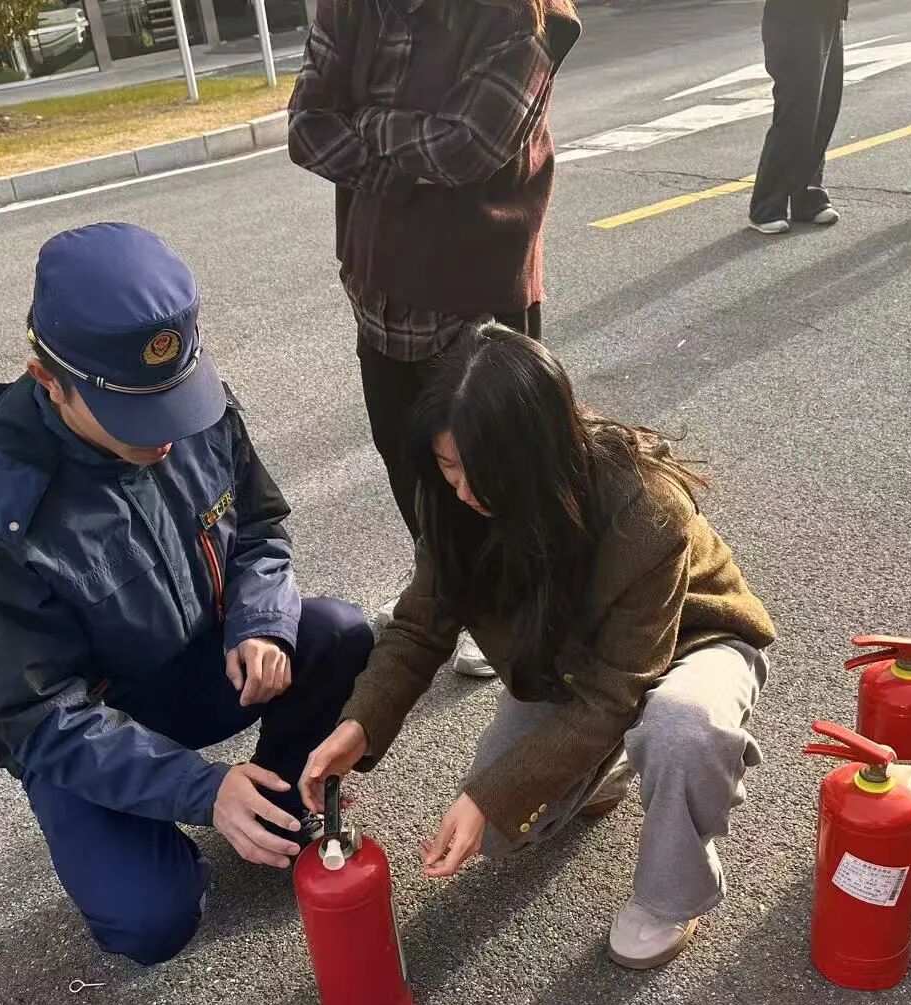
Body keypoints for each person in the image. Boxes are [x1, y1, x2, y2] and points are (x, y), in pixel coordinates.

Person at [0, 223, 374, 966]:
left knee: (338, 632)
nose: (165, 436)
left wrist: (260, 622)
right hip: (95, 726)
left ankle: (276, 802)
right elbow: (40, 716)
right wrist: (199, 790)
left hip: (206, 665)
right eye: (133, 417)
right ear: (48, 380)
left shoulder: (192, 407)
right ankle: (184, 839)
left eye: (172, 401)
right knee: (150, 922)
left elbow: (260, 527)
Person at [302, 326, 777, 970]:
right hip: (575, 661)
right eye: (449, 466)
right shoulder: (450, 502)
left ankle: (671, 897)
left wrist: (490, 795)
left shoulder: (645, 508)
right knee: (501, 830)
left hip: (696, 640)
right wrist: (359, 725)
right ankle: (612, 764)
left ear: (539, 453)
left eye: (483, 472)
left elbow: (615, 692)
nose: (464, 491)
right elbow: (418, 628)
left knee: (682, 726)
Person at [287, 0, 583, 679]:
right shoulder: (351, 7)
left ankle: (515, 605)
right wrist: (406, 156)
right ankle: (450, 588)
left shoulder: (521, 15)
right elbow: (306, 130)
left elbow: (469, 148)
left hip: (475, 285)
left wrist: (365, 123)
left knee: (496, 461)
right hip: (378, 285)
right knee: (410, 460)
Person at [748, 0, 849, 234]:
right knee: (797, 111)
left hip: (828, 11)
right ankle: (766, 205)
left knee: (824, 107)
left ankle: (808, 195)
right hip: (793, 17)